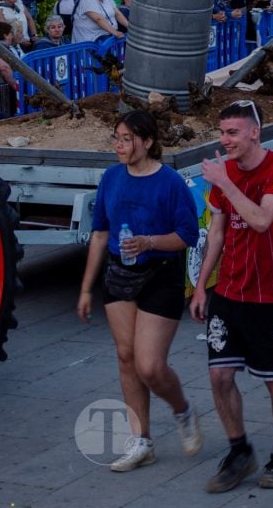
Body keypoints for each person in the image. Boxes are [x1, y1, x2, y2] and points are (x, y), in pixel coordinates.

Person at [77, 110, 201, 472]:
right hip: (119, 274)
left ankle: (182, 410)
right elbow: (100, 234)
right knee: (126, 357)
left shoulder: (170, 182)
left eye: (127, 138)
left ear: (147, 142)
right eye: (117, 137)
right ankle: (141, 440)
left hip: (161, 273)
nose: (120, 145)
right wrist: (86, 289)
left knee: (150, 365)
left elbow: (187, 236)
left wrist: (150, 242)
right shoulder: (112, 178)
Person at [190, 100, 273, 493]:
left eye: (233, 132)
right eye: (222, 133)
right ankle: (239, 451)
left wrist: (224, 183)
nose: (225, 140)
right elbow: (217, 233)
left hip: (272, 296)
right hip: (229, 293)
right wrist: (202, 285)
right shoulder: (226, 175)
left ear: (255, 132)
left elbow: (260, 220)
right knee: (219, 377)